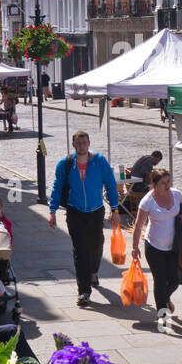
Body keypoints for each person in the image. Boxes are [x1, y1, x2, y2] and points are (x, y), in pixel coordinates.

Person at [48, 130, 119, 307]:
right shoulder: (65, 164)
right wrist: (52, 210)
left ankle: (94, 271)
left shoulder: (99, 161)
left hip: (96, 211)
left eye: (84, 143)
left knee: (96, 245)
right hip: (75, 211)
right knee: (80, 251)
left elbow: (110, 184)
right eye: (78, 143)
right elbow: (57, 188)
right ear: (73, 145)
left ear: (89, 143)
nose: (81, 146)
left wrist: (115, 209)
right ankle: (84, 291)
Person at [131, 166, 182, 331]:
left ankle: (165, 299)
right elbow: (139, 225)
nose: (167, 185)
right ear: (154, 184)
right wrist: (134, 247)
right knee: (160, 281)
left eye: (168, 181)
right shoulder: (148, 200)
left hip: (173, 245)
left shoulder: (176, 194)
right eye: (163, 183)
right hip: (154, 246)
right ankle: (163, 317)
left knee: (174, 279)